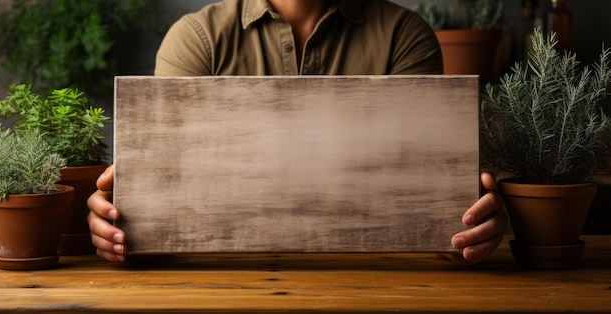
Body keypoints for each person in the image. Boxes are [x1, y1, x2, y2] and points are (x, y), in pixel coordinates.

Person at [88, 0, 507, 265]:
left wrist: (465, 226)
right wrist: (123, 224)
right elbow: (164, 199)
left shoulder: (404, 36)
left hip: (375, 284)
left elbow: (430, 207)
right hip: (223, 285)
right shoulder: (197, 40)